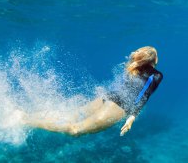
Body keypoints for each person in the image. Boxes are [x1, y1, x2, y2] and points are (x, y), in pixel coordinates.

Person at [22, 46, 163, 136]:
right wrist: (132, 117)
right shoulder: (156, 75)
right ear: (154, 59)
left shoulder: (132, 68)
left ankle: (26, 116)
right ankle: (25, 121)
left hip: (107, 97)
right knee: (75, 130)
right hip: (119, 106)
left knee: (70, 116)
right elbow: (144, 95)